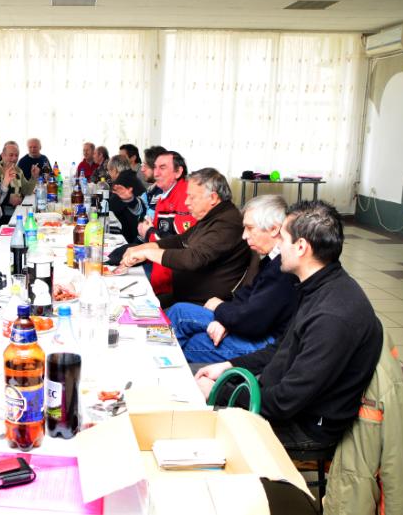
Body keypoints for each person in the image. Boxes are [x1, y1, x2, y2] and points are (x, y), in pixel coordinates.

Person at [194, 200, 383, 451]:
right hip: (281, 397)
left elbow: (284, 403)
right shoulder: (318, 285)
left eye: (282, 239)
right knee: (192, 379)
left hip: (305, 426)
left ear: (301, 247)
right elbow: (281, 348)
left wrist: (220, 391)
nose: (278, 246)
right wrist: (229, 366)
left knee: (193, 423)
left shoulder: (331, 316)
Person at [166, 195, 297, 362]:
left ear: (273, 229)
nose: (244, 236)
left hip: (267, 341)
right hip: (249, 322)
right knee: (179, 311)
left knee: (194, 341)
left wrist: (221, 311)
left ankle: (161, 364)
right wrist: (226, 318)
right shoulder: (272, 258)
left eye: (250, 228)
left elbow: (253, 321)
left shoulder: (284, 268)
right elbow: (247, 295)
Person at [122, 168, 251, 307]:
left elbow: (193, 259)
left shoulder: (228, 223)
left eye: (192, 197)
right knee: (130, 303)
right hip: (184, 297)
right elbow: (180, 241)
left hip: (200, 306)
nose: (187, 202)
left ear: (213, 198)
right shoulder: (213, 216)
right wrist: (142, 248)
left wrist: (147, 253)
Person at [115, 151, 196, 296]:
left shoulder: (186, 197)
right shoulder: (163, 192)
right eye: (155, 167)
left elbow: (181, 244)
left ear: (178, 172)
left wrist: (148, 233)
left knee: (117, 286)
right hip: (156, 266)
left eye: (162, 168)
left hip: (173, 280)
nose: (156, 173)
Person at [0, 140, 38, 222]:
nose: (14, 158)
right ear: (3, 155)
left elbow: (27, 191)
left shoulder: (18, 170)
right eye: (11, 155)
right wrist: (8, 199)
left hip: (18, 211)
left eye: (16, 155)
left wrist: (34, 177)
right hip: (1, 214)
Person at [108, 155, 146, 243]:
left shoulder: (121, 180)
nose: (109, 175)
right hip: (138, 226)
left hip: (132, 233)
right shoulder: (130, 176)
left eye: (109, 170)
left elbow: (112, 207)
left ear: (114, 170)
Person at [141, 145, 165, 222]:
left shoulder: (163, 192)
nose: (142, 169)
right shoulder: (152, 189)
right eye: (142, 165)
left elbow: (149, 220)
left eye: (145, 166)